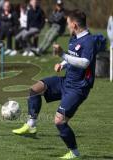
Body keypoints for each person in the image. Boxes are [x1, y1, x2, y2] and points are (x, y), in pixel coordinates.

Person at [12, 10, 97, 159]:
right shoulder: (74, 38)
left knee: (59, 121)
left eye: (69, 24)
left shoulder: (89, 41)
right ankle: (31, 124)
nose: (68, 27)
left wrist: (63, 55)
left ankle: (74, 152)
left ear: (75, 25)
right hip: (66, 81)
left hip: (78, 88)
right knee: (35, 89)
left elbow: (84, 63)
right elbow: (73, 56)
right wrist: (63, 64)